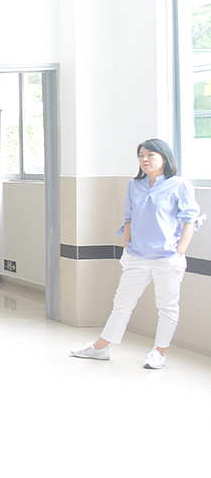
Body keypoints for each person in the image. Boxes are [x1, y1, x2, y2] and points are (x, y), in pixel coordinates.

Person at [71, 138, 201, 370]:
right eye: (141, 155)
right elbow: (129, 218)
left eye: (150, 155)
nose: (145, 160)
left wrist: (180, 251)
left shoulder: (179, 185)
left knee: (167, 306)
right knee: (121, 304)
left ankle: (159, 352)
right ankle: (100, 347)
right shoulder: (135, 185)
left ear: (164, 158)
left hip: (167, 258)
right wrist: (127, 249)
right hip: (137, 256)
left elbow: (189, 220)